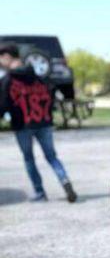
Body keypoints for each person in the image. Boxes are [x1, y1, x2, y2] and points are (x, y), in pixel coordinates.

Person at [0, 42, 76, 202]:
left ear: (7, 57)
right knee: (51, 156)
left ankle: (40, 193)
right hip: (44, 123)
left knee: (29, 159)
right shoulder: (38, 76)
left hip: (23, 125)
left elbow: (3, 104)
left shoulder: (8, 80)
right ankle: (64, 180)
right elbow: (50, 96)